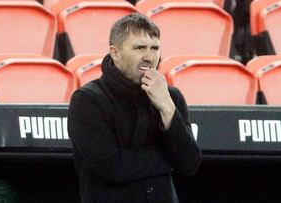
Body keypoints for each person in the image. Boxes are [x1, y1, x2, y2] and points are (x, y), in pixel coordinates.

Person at [68, 13, 202, 203]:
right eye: (140, 48)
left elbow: (190, 164)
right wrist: (169, 159)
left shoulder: (171, 97)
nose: (149, 56)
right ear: (115, 53)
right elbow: (113, 167)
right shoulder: (87, 100)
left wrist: (167, 109)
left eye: (155, 48)